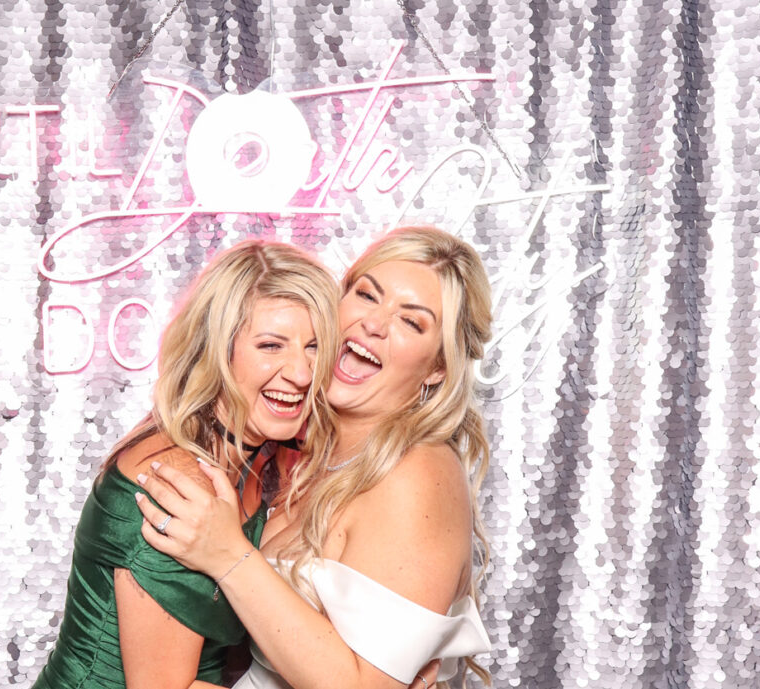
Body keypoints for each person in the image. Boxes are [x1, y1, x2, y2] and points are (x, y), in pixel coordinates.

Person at [136, 226, 494, 689]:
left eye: (412, 322)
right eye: (366, 295)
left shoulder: (417, 474)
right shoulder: (299, 447)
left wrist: (228, 555)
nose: (375, 324)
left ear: (438, 367)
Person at [31, 240, 340, 689]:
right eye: (271, 346)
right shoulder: (181, 485)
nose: (301, 373)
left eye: (315, 346)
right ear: (216, 351)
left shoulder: (248, 456)